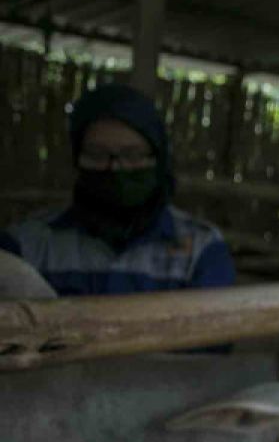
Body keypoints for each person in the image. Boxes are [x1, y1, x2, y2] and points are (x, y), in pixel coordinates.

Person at [0, 83, 235, 297]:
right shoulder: (27, 245)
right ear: (77, 158)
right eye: (97, 155)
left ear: (159, 160)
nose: (114, 168)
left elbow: (212, 338)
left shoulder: (200, 251)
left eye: (132, 155)